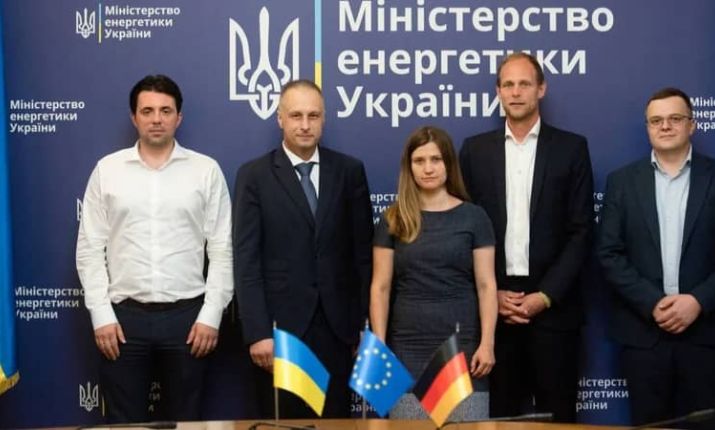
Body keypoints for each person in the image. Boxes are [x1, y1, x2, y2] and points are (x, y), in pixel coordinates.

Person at [76, 74, 234, 423]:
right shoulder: (107, 170)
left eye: (166, 110)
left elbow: (223, 249)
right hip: (122, 321)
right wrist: (101, 314)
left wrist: (211, 315)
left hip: (188, 321)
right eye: (147, 111)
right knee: (124, 424)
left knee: (187, 421)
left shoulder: (206, 171)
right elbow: (90, 249)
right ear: (134, 117)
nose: (157, 119)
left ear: (179, 117)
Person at [597, 87, 715, 429]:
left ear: (692, 124)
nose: (665, 126)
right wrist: (653, 303)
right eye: (656, 120)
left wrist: (698, 301)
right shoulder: (621, 182)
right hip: (644, 337)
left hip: (707, 335)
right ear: (647, 127)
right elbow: (609, 254)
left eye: (674, 118)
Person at [459, 52, 594, 422]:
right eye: (508, 84)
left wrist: (545, 296)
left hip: (554, 308)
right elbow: (463, 230)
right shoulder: (474, 150)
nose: (515, 92)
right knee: (500, 418)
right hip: (496, 310)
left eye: (524, 84)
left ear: (541, 89)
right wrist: (492, 293)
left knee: (559, 419)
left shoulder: (571, 148)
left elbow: (581, 231)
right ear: (498, 92)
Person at [233, 79, 373, 418]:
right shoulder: (254, 175)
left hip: (338, 330)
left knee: (335, 422)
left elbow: (362, 255)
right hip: (280, 331)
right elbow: (246, 260)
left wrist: (362, 323)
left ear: (324, 118)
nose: (305, 125)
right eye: (296, 115)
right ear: (280, 118)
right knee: (283, 423)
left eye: (313, 115)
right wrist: (257, 332)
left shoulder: (349, 171)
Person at [370, 125, 497, 419]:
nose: (428, 168)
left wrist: (487, 343)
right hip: (406, 351)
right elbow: (380, 287)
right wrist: (379, 347)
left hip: (462, 349)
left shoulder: (474, 217)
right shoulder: (393, 219)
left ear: (448, 163)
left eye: (436, 159)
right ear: (409, 167)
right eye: (419, 160)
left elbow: (487, 285)